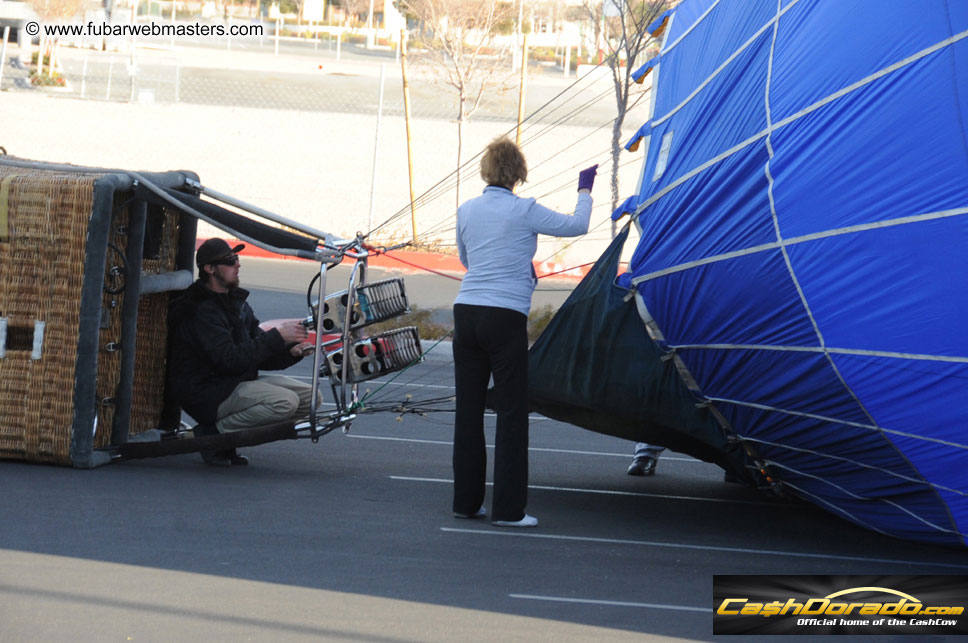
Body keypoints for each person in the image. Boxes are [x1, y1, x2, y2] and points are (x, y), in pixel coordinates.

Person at [452, 136, 597, 528]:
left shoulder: (466, 210)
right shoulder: (525, 210)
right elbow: (578, 226)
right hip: (505, 316)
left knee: (468, 411)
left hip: (466, 312)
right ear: (518, 173)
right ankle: (509, 511)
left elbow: (468, 259)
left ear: (485, 170)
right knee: (512, 413)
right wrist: (585, 189)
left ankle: (466, 503)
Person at [167, 238, 315, 466]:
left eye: (236, 258)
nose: (237, 264)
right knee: (284, 402)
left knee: (311, 400)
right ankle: (212, 437)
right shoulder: (201, 309)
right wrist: (276, 337)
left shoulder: (234, 302)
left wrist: (291, 352)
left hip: (230, 382)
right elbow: (230, 360)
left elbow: (254, 351)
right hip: (206, 391)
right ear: (210, 269)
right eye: (229, 261)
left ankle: (224, 439)